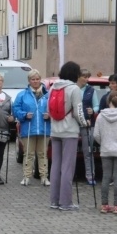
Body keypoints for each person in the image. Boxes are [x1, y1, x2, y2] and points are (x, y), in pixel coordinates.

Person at [48, 61, 89, 211]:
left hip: (55, 130)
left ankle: (54, 200)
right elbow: (78, 112)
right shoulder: (74, 89)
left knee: (55, 166)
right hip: (69, 131)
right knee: (67, 167)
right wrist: (85, 123)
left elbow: (49, 109)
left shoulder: (53, 87)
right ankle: (66, 203)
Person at [13, 70, 51, 186]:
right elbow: (15, 109)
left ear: (40, 80)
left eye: (37, 79)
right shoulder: (22, 94)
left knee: (43, 154)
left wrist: (49, 115)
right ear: (29, 81)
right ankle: (26, 176)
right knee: (28, 154)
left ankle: (44, 177)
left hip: (44, 128)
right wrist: (24, 115)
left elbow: (54, 108)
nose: (35, 81)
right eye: (33, 79)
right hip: (28, 128)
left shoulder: (48, 94)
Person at [77, 68, 101, 186]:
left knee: (88, 151)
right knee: (70, 151)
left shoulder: (91, 90)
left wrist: (93, 110)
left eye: (88, 77)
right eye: (84, 77)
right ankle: (69, 174)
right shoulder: (73, 89)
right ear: (78, 77)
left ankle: (90, 175)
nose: (86, 79)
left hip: (87, 123)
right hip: (74, 123)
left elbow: (96, 105)